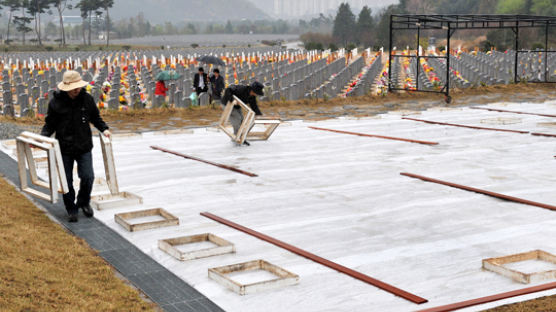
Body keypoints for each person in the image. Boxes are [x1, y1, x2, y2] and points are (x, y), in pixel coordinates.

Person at [40, 70, 111, 223]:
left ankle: (83, 202)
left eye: (78, 87)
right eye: (73, 88)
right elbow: (50, 124)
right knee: (66, 181)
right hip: (64, 147)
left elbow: (96, 118)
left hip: (84, 145)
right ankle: (71, 208)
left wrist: (104, 129)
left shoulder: (87, 99)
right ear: (65, 88)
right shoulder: (55, 103)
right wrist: (43, 137)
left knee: (88, 177)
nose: (76, 90)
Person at [220, 81, 264, 146]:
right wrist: (232, 99)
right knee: (237, 119)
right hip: (228, 104)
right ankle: (237, 138)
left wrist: (260, 116)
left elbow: (254, 107)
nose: (256, 94)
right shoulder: (242, 89)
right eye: (256, 93)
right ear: (252, 90)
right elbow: (228, 89)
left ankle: (241, 137)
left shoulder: (252, 96)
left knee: (242, 120)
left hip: (237, 106)